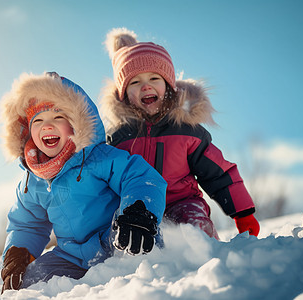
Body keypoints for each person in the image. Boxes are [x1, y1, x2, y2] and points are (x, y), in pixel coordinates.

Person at [0, 71, 167, 293]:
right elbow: (28, 223)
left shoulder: (98, 157)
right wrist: (18, 253)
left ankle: (149, 264)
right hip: (71, 257)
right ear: (28, 131)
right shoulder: (32, 179)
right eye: (38, 121)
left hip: (119, 238)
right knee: (25, 285)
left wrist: (138, 213)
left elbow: (138, 176)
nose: (47, 126)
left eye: (58, 117)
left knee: (138, 258)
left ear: (76, 123)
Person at [99, 28, 260, 240]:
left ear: (169, 86)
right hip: (136, 207)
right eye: (135, 82)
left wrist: (243, 212)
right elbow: (101, 181)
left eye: (154, 78)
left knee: (193, 226)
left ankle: (205, 253)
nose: (145, 86)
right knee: (119, 235)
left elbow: (218, 173)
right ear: (124, 94)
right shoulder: (117, 138)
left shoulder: (186, 131)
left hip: (182, 202)